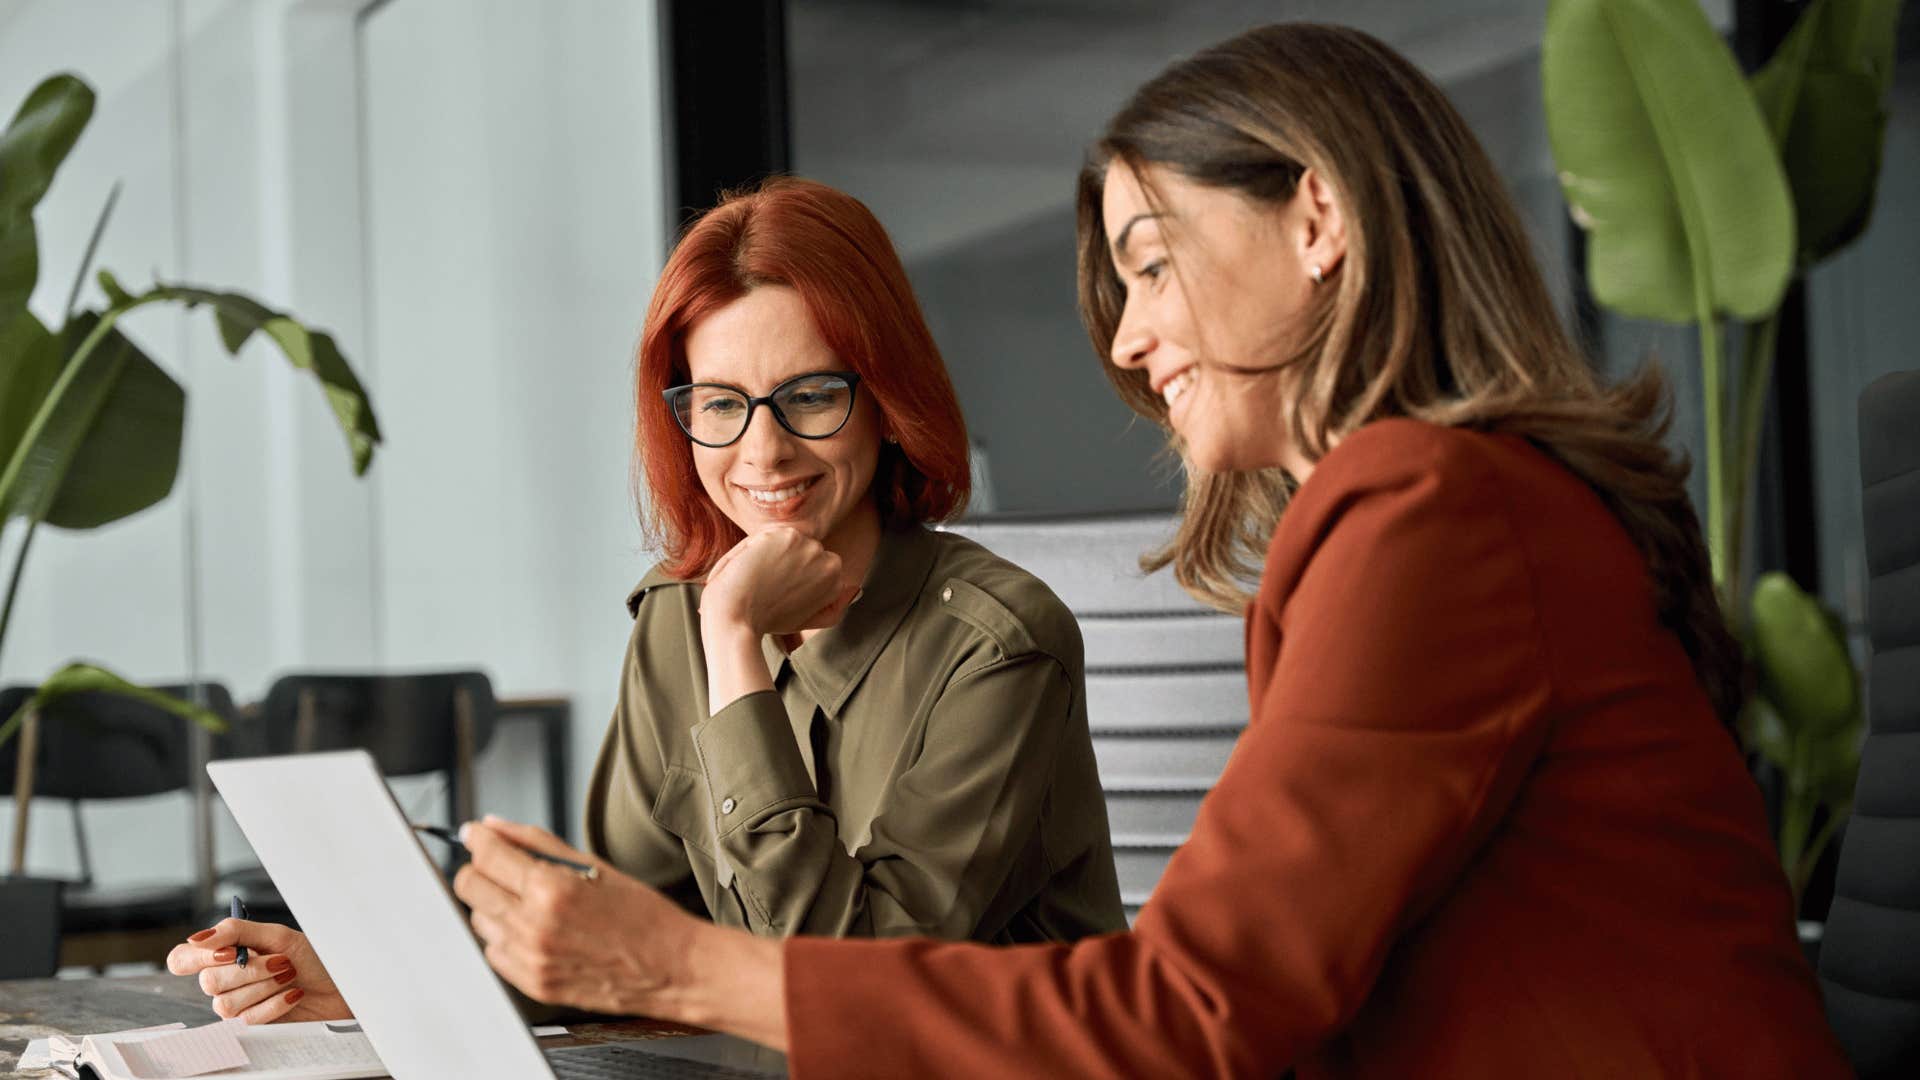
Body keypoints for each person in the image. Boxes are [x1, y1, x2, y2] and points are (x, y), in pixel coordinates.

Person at [432, 23, 1852, 1077]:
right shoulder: (1442, 507)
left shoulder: (1433, 510)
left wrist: (685, 966)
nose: (1125, 338)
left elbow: (1196, 1008)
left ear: (1320, 217)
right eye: (719, 406)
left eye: (1152, 261)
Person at [167, 178, 1125, 1025]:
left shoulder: (998, 645)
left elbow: (844, 984)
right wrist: (370, 976)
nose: (763, 452)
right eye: (720, 403)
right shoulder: (678, 614)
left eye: (811, 396)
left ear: (885, 398)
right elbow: (623, 931)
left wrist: (736, 641)